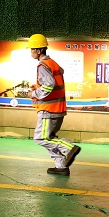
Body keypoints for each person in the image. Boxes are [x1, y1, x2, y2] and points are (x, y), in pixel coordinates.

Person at [27, 34, 80, 175]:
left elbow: (49, 84)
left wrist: (34, 93)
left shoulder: (42, 65)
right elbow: (53, 82)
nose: (30, 52)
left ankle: (69, 148)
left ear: (39, 50)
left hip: (49, 110)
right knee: (49, 137)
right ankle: (61, 166)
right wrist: (38, 87)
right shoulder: (53, 63)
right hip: (58, 108)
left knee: (41, 138)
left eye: (32, 49)